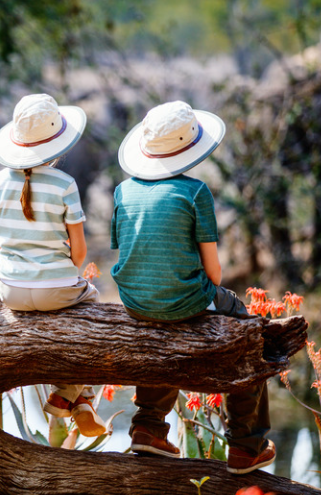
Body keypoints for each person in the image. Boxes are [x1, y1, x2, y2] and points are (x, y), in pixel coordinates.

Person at [111, 100, 275, 474]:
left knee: (161, 328)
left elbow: (133, 254)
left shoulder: (122, 191)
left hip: (134, 301)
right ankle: (246, 445)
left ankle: (148, 427)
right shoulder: (195, 192)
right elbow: (214, 276)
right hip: (186, 300)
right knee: (247, 332)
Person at [0, 93, 105, 437]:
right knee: (94, 308)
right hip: (57, 289)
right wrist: (61, 275)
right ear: (57, 142)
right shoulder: (65, 185)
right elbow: (79, 251)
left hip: (10, 291)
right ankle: (65, 394)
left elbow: (0, 240)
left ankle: (83, 403)